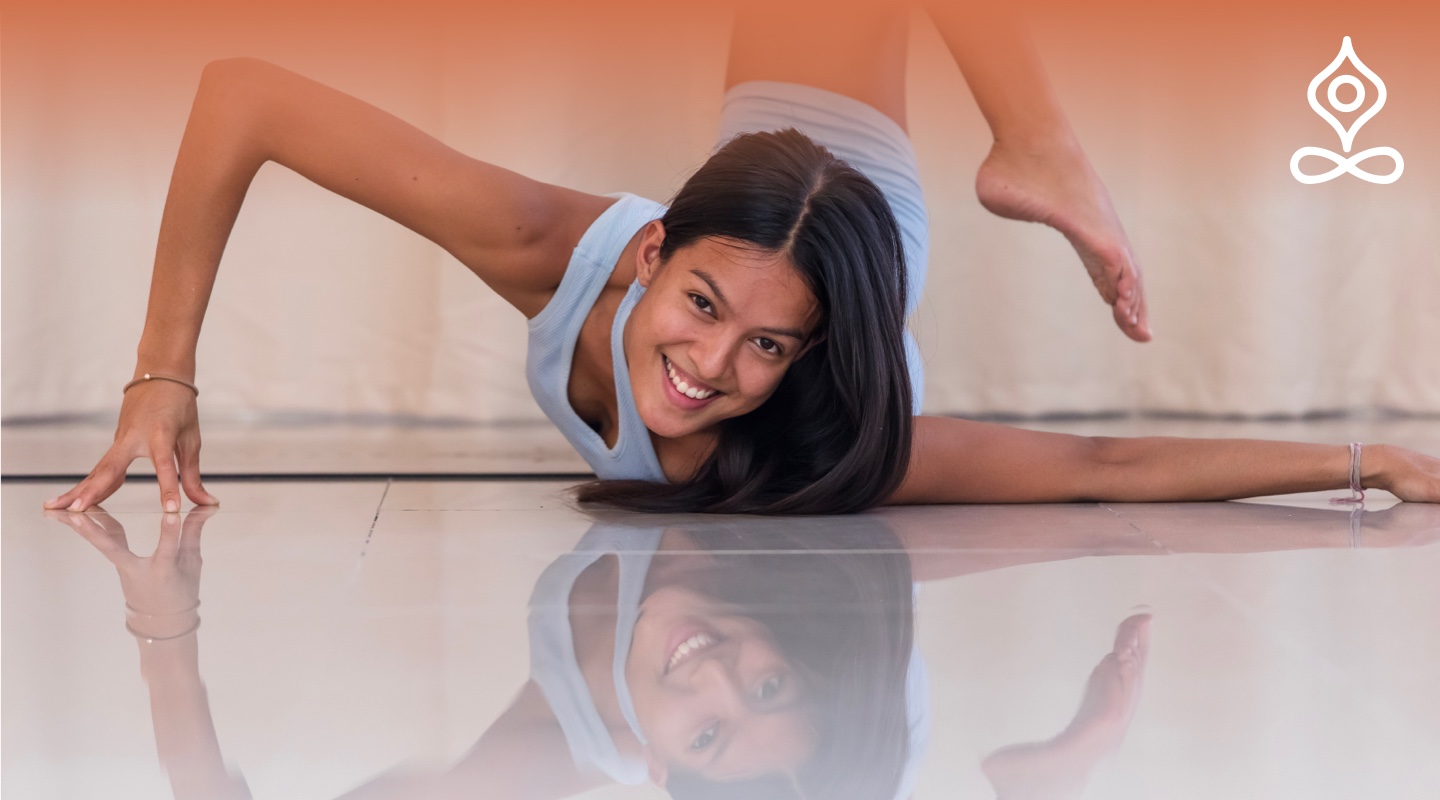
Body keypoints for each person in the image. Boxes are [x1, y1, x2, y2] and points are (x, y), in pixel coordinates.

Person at [41, 1, 1440, 516]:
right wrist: (162, 377)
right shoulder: (551, 247)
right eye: (701, 306)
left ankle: (1038, 139)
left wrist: (1370, 460)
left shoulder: (829, 419)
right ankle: (1038, 139)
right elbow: (242, 93)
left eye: (765, 345)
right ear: (648, 251)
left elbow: (1096, 466)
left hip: (827, 226)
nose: (711, 367)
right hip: (800, 171)